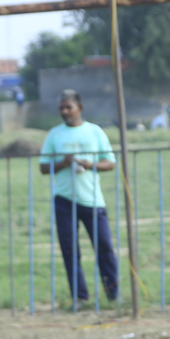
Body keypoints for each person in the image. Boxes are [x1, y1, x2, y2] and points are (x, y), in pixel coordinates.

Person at [39, 90, 119, 304]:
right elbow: (43, 167)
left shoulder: (95, 132)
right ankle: (80, 298)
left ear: (80, 108)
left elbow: (110, 162)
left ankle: (113, 294)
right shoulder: (54, 135)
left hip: (92, 199)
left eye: (69, 107)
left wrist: (90, 164)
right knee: (70, 251)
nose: (64, 111)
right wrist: (62, 163)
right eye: (61, 108)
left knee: (104, 247)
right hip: (64, 199)